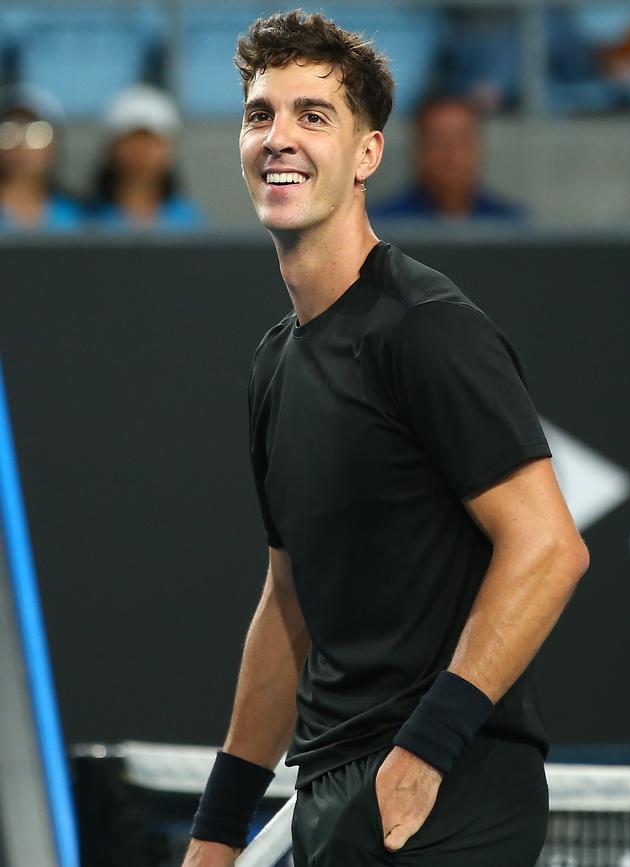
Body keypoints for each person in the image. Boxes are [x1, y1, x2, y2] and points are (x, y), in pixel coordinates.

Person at [183, 10, 589, 867]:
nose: (279, 137)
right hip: (334, 791)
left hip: (448, 788)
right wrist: (218, 829)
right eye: (261, 113)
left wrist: (427, 748)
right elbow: (288, 598)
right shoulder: (274, 364)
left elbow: (549, 545)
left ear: (368, 154)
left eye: (313, 115)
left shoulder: (428, 328)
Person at [371, 95, 527, 221]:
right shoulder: (386, 226)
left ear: (479, 147)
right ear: (418, 150)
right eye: (438, 140)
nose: (450, 152)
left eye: (460, 140)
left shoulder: (510, 225)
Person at [87, 84, 206, 231]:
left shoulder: (190, 222)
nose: (142, 150)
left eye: (153, 141)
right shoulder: (85, 221)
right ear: (111, 148)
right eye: (131, 139)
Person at [0, 84, 83, 231]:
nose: (20, 145)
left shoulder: (79, 218)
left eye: (36, 134)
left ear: (54, 145)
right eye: (8, 133)